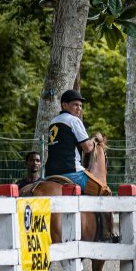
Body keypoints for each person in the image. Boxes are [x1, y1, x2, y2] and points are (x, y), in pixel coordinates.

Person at [45, 89, 114, 241]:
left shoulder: (53, 122)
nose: (79, 108)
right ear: (64, 105)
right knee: (104, 191)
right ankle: (107, 233)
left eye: (80, 106)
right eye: (75, 105)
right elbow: (87, 148)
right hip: (71, 172)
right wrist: (95, 139)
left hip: (50, 174)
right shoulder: (74, 121)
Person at [15, 152, 46, 271]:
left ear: (40, 164)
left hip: (39, 236)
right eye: (32, 160)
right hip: (23, 235)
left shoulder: (45, 186)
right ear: (26, 163)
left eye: (38, 160)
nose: (35, 163)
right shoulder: (19, 186)